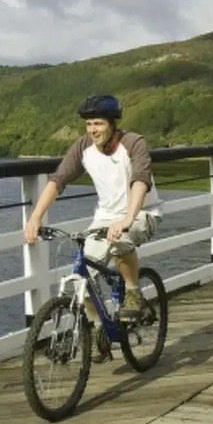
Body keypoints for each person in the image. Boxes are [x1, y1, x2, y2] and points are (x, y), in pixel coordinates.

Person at [24, 94, 162, 326]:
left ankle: (133, 292)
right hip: (105, 218)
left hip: (142, 213)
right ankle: (100, 328)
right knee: (81, 280)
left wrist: (128, 218)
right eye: (88, 124)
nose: (92, 130)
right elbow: (58, 180)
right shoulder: (83, 147)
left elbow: (140, 180)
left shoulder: (133, 143)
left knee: (121, 241)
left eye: (98, 123)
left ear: (113, 124)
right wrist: (35, 217)